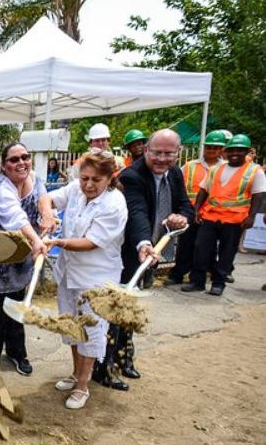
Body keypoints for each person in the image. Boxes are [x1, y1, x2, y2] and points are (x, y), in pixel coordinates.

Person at [93, 129, 193, 391]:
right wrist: (144, 243)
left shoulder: (176, 173)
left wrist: (181, 218)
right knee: (116, 309)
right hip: (130, 252)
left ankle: (125, 358)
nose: (162, 158)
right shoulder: (132, 176)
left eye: (168, 153)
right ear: (147, 150)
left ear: (177, 152)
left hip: (153, 252)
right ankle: (104, 367)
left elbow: (185, 206)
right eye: (157, 152)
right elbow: (136, 213)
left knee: (132, 308)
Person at [39, 152, 128, 409]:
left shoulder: (114, 204)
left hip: (96, 276)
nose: (88, 185)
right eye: (84, 178)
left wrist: (57, 242)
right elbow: (47, 197)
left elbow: (91, 242)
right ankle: (76, 372)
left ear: (110, 178)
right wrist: (47, 214)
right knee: (71, 325)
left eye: (96, 180)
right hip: (69, 273)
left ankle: (83, 386)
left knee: (91, 330)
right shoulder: (77, 191)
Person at [0, 142, 49, 376]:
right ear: (4, 165)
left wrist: (47, 213)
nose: (21, 163)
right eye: (14, 159)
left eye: (25, 157)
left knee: (17, 308)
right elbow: (15, 218)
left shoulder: (35, 179)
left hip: (20, 260)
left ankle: (18, 353)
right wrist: (36, 241)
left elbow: (44, 196)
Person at [183, 134, 266, 296]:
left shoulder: (254, 171)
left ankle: (218, 283)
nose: (235, 153)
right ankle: (197, 281)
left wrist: (251, 217)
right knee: (201, 249)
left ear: (247, 152)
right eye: (232, 150)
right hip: (210, 216)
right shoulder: (216, 169)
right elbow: (203, 190)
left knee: (227, 253)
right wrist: (197, 209)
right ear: (226, 152)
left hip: (235, 219)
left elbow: (258, 195)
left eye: (240, 150)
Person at [167, 129, 227, 285]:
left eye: (215, 147)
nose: (211, 150)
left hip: (211, 214)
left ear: (221, 149)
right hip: (190, 211)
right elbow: (178, 185)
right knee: (185, 244)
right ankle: (178, 274)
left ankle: (204, 274)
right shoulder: (190, 165)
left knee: (206, 247)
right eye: (209, 147)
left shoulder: (225, 168)